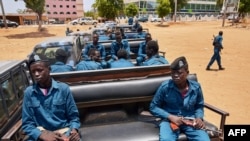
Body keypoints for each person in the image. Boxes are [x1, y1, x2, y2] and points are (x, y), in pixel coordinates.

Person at [22, 54, 81, 141]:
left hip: (64, 133)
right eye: (33, 72)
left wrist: (74, 131)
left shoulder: (63, 89)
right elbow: (27, 124)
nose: (36, 74)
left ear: (49, 69)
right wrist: (41, 135)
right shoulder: (29, 93)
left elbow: (73, 117)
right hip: (41, 135)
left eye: (39, 70)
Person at [150, 56, 210, 141]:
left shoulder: (196, 87)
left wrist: (199, 118)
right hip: (169, 121)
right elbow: (153, 107)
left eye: (179, 73)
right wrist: (170, 116)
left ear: (187, 73)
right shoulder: (165, 87)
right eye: (173, 73)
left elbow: (199, 106)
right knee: (166, 139)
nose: (175, 75)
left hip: (190, 120)